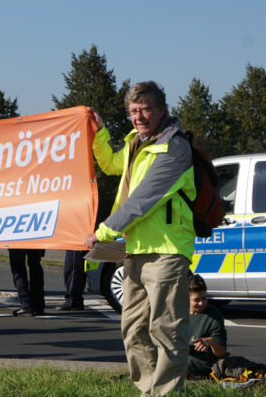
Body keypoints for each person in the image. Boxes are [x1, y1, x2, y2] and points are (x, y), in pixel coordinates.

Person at [85, 80, 196, 396]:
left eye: (146, 108)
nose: (139, 116)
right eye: (134, 110)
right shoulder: (136, 142)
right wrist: (99, 131)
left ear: (162, 110)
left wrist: (102, 232)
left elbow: (143, 199)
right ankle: (149, 390)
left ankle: (166, 393)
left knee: (167, 330)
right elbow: (109, 164)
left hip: (167, 251)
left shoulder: (175, 148)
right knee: (133, 330)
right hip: (135, 249)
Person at [187, 273, 226, 379]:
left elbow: (221, 352)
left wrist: (211, 341)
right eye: (196, 300)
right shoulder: (177, 312)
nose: (201, 303)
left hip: (203, 366)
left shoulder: (214, 315)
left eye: (204, 298)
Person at [8, 249, 45, 316]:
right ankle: (38, 306)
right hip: (36, 240)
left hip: (18, 241)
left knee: (18, 267)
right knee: (35, 264)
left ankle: (27, 304)